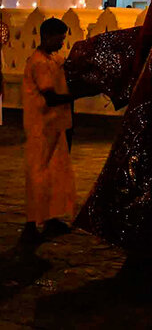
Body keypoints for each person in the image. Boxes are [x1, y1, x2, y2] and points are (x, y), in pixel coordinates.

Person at [21, 17, 77, 246]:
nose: (62, 44)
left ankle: (51, 218)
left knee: (55, 174)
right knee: (39, 176)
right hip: (41, 127)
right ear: (47, 37)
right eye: (59, 39)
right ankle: (31, 224)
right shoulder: (39, 63)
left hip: (55, 125)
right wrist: (78, 96)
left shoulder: (54, 59)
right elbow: (51, 97)